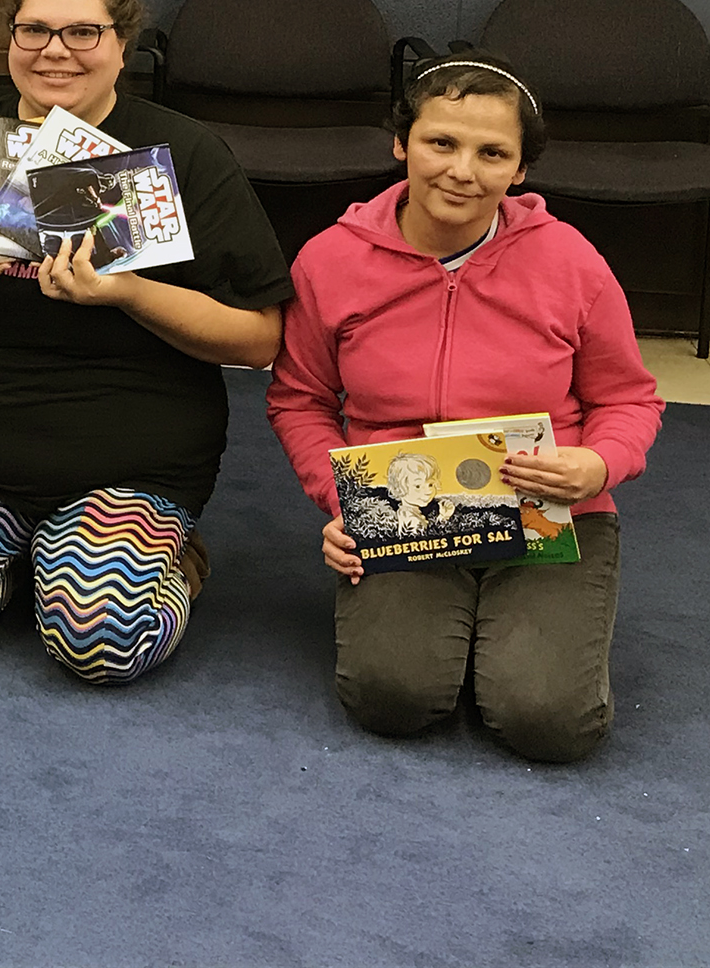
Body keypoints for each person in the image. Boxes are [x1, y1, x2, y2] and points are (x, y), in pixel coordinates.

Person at [0, 0, 290, 685]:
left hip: (133, 453)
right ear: (11, 40)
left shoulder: (182, 153)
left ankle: (161, 559)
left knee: (102, 642)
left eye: (84, 32)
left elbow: (258, 338)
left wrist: (130, 293)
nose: (55, 51)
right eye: (35, 31)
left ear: (123, 45)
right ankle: (32, 551)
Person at [266, 54, 663, 762]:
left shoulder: (569, 260)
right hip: (401, 505)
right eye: (440, 142)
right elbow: (300, 399)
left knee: (548, 723)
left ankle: (532, 625)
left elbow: (627, 396)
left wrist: (599, 465)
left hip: (548, 508)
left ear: (520, 170)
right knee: (392, 698)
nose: (461, 169)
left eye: (492, 153)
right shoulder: (330, 260)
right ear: (401, 143)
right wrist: (343, 501)